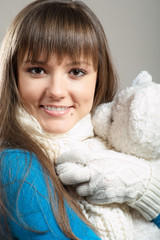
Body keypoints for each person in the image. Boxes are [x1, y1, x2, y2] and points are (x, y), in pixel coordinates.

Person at [0, 0, 160, 239]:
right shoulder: (15, 166)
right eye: (37, 70)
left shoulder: (118, 149)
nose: (56, 91)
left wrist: (147, 190)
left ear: (98, 78)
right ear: (14, 75)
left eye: (76, 72)